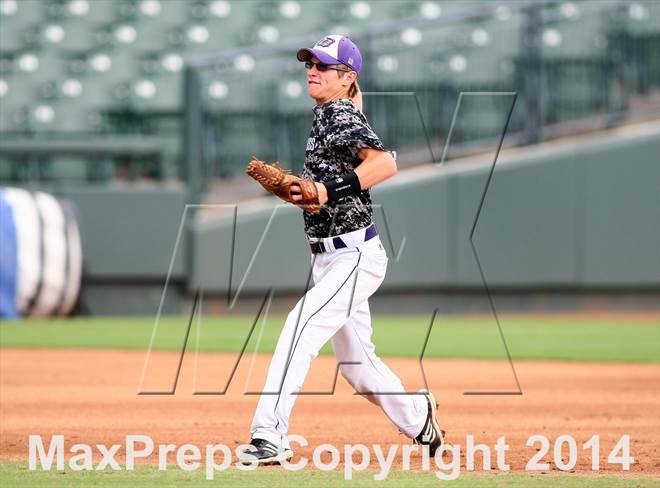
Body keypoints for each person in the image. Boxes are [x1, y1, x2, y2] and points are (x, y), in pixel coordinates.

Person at [241, 35, 444, 466]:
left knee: (300, 326)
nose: (312, 71)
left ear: (347, 77)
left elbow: (385, 163)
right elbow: (335, 175)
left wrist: (325, 190)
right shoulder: (329, 112)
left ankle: (268, 436)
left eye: (323, 66)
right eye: (310, 64)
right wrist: (308, 192)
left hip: (353, 257)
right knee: (358, 368)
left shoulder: (338, 113)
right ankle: (418, 415)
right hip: (331, 256)